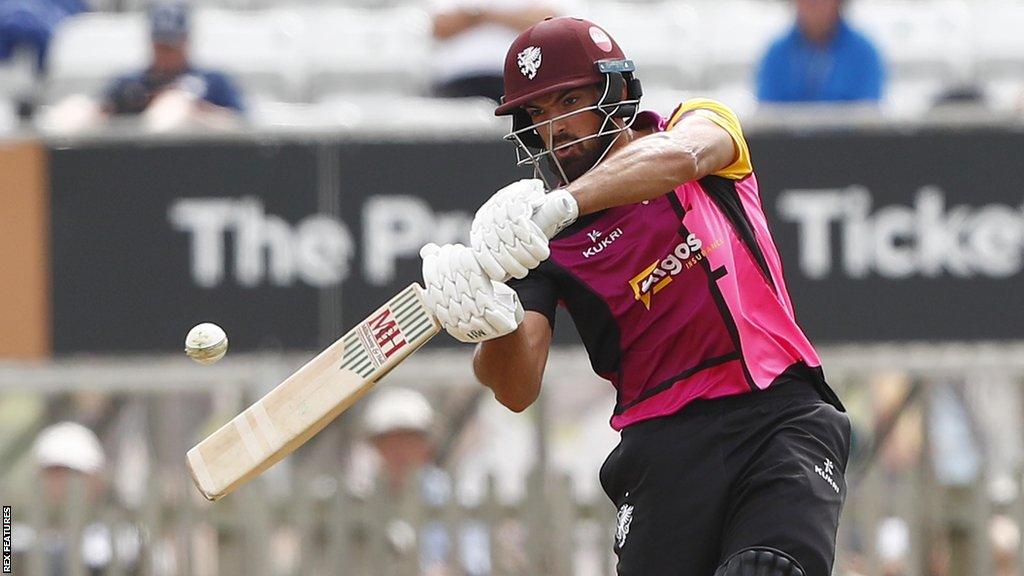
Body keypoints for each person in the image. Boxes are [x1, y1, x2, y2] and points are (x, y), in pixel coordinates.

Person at [418, 16, 851, 576]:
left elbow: (680, 159)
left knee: (765, 568)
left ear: (616, 92)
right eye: (539, 115)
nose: (556, 130)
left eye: (569, 101)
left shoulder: (698, 123)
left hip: (775, 414)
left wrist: (563, 205)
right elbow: (516, 387)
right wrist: (489, 318)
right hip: (660, 448)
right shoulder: (543, 241)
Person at [101, 2, 243, 119]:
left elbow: (242, 124)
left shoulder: (213, 81)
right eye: (160, 45)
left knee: (173, 105)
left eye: (172, 46)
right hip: (135, 150)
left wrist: (197, 111)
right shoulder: (130, 84)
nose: (166, 53)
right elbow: (100, 113)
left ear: (186, 40)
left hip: (197, 149)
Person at [429, 0, 560, 102]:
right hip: (458, 81)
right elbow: (440, 26)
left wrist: (480, 15)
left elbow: (546, 22)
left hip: (520, 79)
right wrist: (510, 18)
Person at [756, 0, 884, 103]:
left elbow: (867, 121)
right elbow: (766, 116)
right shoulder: (775, 56)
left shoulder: (865, 55)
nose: (813, 4)